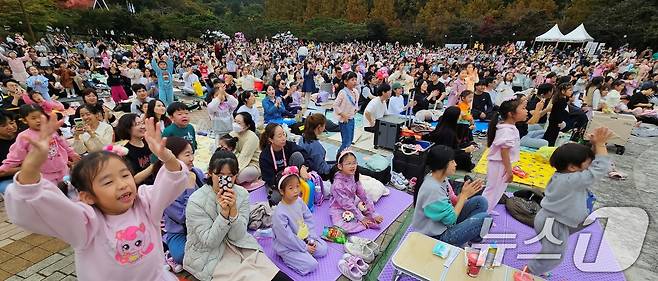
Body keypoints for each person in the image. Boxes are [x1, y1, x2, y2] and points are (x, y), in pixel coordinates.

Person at [4, 115, 188, 280]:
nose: (122, 184)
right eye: (108, 182)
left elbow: (173, 179)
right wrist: (30, 170)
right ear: (87, 197)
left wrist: (167, 157)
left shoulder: (146, 204)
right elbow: (39, 210)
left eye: (125, 175)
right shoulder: (85, 222)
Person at [184, 150, 292, 281]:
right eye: (220, 175)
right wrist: (224, 215)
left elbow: (238, 235)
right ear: (210, 173)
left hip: (240, 245)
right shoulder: (196, 201)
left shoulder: (241, 194)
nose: (226, 180)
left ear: (236, 175)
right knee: (252, 277)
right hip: (210, 255)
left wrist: (233, 210)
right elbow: (210, 242)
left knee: (276, 275)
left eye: (230, 175)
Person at [524, 128, 613, 277]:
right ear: (572, 167)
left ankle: (537, 268)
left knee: (552, 250)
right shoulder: (572, 180)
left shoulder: (567, 175)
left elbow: (592, 164)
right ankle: (529, 272)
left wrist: (594, 145)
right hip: (553, 223)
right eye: (587, 164)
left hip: (555, 220)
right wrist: (601, 145)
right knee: (554, 255)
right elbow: (599, 168)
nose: (589, 166)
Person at [411, 145, 489, 247]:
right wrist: (464, 196)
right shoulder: (432, 189)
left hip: (445, 223)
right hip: (436, 236)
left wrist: (465, 192)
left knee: (481, 201)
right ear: (442, 165)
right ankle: (468, 237)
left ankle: (473, 237)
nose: (455, 164)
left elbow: (454, 200)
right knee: (484, 219)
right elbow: (450, 220)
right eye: (452, 162)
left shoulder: (441, 178)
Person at [151, 137, 205, 271]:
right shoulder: (166, 186)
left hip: (202, 224)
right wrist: (189, 188)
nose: (192, 158)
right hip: (181, 231)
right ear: (173, 158)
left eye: (192, 153)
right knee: (183, 255)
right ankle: (168, 247)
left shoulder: (196, 172)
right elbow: (182, 217)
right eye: (187, 154)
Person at [272, 166, 328, 275]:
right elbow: (287, 237)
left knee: (323, 249)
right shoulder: (279, 213)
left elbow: (308, 218)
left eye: (298, 186)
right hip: (287, 245)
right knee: (312, 265)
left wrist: (311, 238)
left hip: (303, 238)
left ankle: (304, 252)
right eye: (291, 188)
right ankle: (286, 257)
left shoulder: (298, 201)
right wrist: (304, 247)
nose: (296, 190)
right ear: (282, 191)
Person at [483, 96, 526, 213]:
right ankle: (482, 212)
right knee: (492, 189)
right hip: (499, 164)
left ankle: (488, 208)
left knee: (499, 189)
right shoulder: (506, 130)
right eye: (523, 108)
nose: (526, 111)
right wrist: (509, 171)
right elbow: (504, 152)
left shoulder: (510, 127)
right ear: (511, 114)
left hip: (502, 164)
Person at [329, 150, 383, 233]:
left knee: (366, 204)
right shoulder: (337, 185)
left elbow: (362, 194)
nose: (352, 166)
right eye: (348, 163)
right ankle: (365, 222)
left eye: (354, 163)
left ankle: (368, 218)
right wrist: (361, 218)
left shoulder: (353, 176)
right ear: (340, 166)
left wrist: (373, 212)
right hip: (339, 207)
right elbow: (346, 204)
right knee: (343, 227)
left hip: (352, 202)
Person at [259, 123, 310, 205]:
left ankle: (295, 187)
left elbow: (304, 153)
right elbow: (269, 179)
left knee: (297, 155)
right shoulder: (265, 156)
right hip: (277, 182)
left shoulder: (288, 145)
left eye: (284, 134)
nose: (283, 138)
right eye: (279, 136)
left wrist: (303, 167)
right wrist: (286, 186)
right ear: (271, 139)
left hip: (291, 174)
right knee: (276, 198)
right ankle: (294, 189)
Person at [424, 106, 477, 171]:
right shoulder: (448, 133)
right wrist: (464, 150)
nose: (461, 116)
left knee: (469, 144)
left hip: (443, 148)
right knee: (465, 156)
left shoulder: (443, 121)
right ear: (454, 117)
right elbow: (448, 151)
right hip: (443, 156)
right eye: (459, 115)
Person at [114, 114, 154, 185]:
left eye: (142, 123)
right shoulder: (126, 152)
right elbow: (134, 180)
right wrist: (154, 166)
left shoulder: (148, 142)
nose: (143, 126)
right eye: (138, 124)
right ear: (128, 129)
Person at [298, 114, 333, 179]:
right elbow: (321, 169)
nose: (325, 128)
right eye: (324, 125)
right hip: (317, 173)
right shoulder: (315, 146)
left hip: (310, 167)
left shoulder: (303, 138)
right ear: (319, 127)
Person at [231, 112, 262, 186]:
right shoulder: (232, 133)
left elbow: (244, 157)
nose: (235, 124)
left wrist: (233, 173)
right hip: (233, 161)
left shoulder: (251, 137)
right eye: (235, 121)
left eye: (239, 123)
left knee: (245, 174)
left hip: (252, 164)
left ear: (247, 126)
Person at [333, 71, 360, 156]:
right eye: (352, 80)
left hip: (351, 118)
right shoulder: (343, 92)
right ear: (345, 82)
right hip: (344, 120)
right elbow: (335, 105)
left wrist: (355, 109)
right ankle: (339, 156)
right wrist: (342, 115)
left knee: (350, 139)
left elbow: (356, 103)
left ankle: (345, 155)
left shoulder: (356, 91)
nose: (354, 81)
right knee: (346, 141)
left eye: (355, 79)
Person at [0, 110, 18, 193]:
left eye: (11, 123)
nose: (11, 127)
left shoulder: (24, 136)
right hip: (8, 180)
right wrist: (25, 168)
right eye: (3, 125)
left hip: (34, 172)